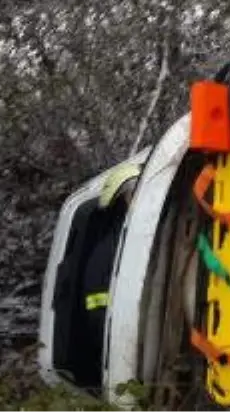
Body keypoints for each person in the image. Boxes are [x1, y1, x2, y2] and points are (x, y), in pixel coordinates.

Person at [78, 162, 141, 390]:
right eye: (135, 193)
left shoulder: (138, 243)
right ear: (123, 200)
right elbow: (99, 314)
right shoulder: (109, 253)